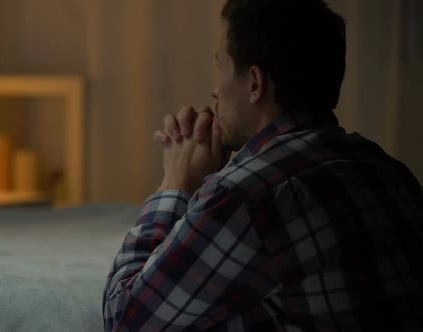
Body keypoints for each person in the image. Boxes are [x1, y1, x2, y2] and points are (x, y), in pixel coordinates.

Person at [102, 0, 423, 330]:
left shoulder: (248, 194)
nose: (215, 90)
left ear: (255, 83)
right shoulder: (391, 171)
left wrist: (176, 182)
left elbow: (125, 319)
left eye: (220, 67)